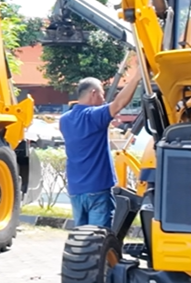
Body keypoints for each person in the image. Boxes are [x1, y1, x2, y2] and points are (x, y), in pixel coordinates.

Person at [59, 66, 142, 229]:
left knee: (82, 239)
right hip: (97, 189)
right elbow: (118, 103)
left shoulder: (64, 119)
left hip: (76, 190)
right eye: (102, 95)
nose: (104, 100)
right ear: (93, 94)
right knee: (98, 240)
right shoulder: (94, 116)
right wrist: (137, 78)